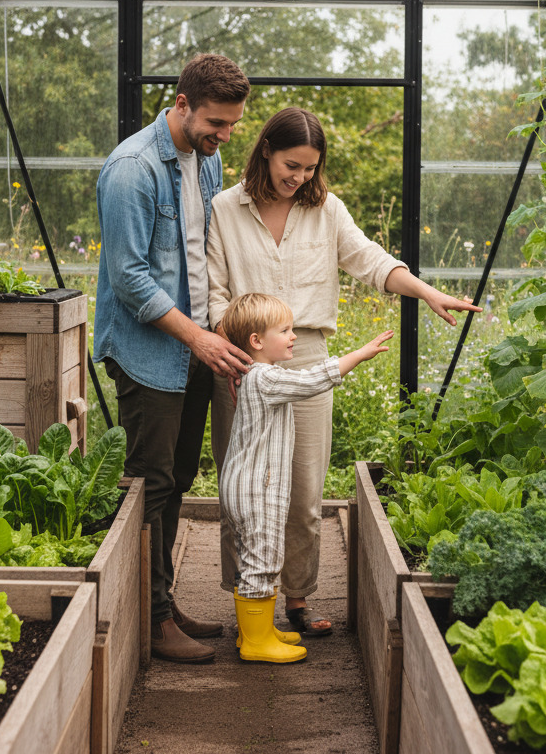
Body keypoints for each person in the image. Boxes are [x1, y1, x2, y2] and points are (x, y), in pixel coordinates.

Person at [208, 107, 482, 636]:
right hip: (241, 361)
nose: (299, 178)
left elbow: (372, 261)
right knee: (241, 489)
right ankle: (248, 607)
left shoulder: (326, 210)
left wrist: (426, 292)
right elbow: (217, 292)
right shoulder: (224, 208)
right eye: (291, 165)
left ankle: (296, 601)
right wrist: (237, 346)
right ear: (265, 149)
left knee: (304, 492)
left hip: (305, 353)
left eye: (310, 169)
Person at [94, 53, 254, 664]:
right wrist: (199, 339)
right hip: (148, 350)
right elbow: (130, 280)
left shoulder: (202, 159)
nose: (224, 136)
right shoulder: (133, 169)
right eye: (216, 123)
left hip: (193, 344)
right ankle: (150, 618)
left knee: (180, 477)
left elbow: (200, 252)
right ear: (181, 103)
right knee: (150, 484)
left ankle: (162, 599)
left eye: (233, 125)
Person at [220, 292, 393, 663]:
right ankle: (255, 643)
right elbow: (314, 380)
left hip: (246, 486)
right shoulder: (265, 379)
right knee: (262, 562)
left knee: (254, 561)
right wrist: (359, 354)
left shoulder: (256, 376)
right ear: (257, 341)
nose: (293, 336)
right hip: (257, 490)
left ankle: (259, 631)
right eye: (285, 330)